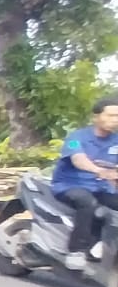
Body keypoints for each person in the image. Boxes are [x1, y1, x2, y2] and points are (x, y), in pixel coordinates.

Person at [51, 96, 118, 270]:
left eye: (117, 116)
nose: (115, 120)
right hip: (70, 185)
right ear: (96, 117)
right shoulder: (76, 137)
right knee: (88, 203)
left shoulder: (116, 140)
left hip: (102, 188)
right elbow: (78, 159)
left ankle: (101, 247)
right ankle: (76, 251)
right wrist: (99, 170)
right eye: (110, 115)